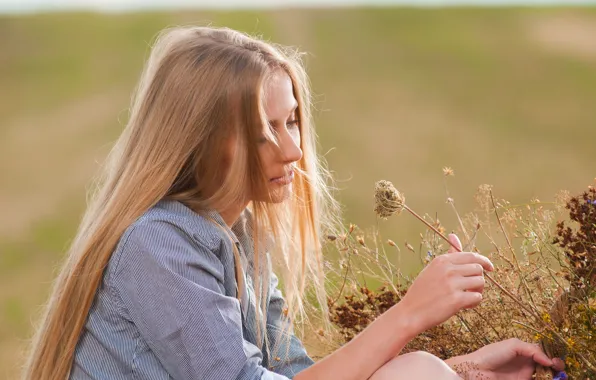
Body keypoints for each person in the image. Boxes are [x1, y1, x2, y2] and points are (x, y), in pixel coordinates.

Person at [22, 26, 564, 380]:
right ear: (202, 138)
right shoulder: (158, 243)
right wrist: (411, 314)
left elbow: (296, 373)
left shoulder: (238, 236)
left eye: (293, 121)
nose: (295, 149)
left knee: (421, 371)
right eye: (264, 131)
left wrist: (465, 368)